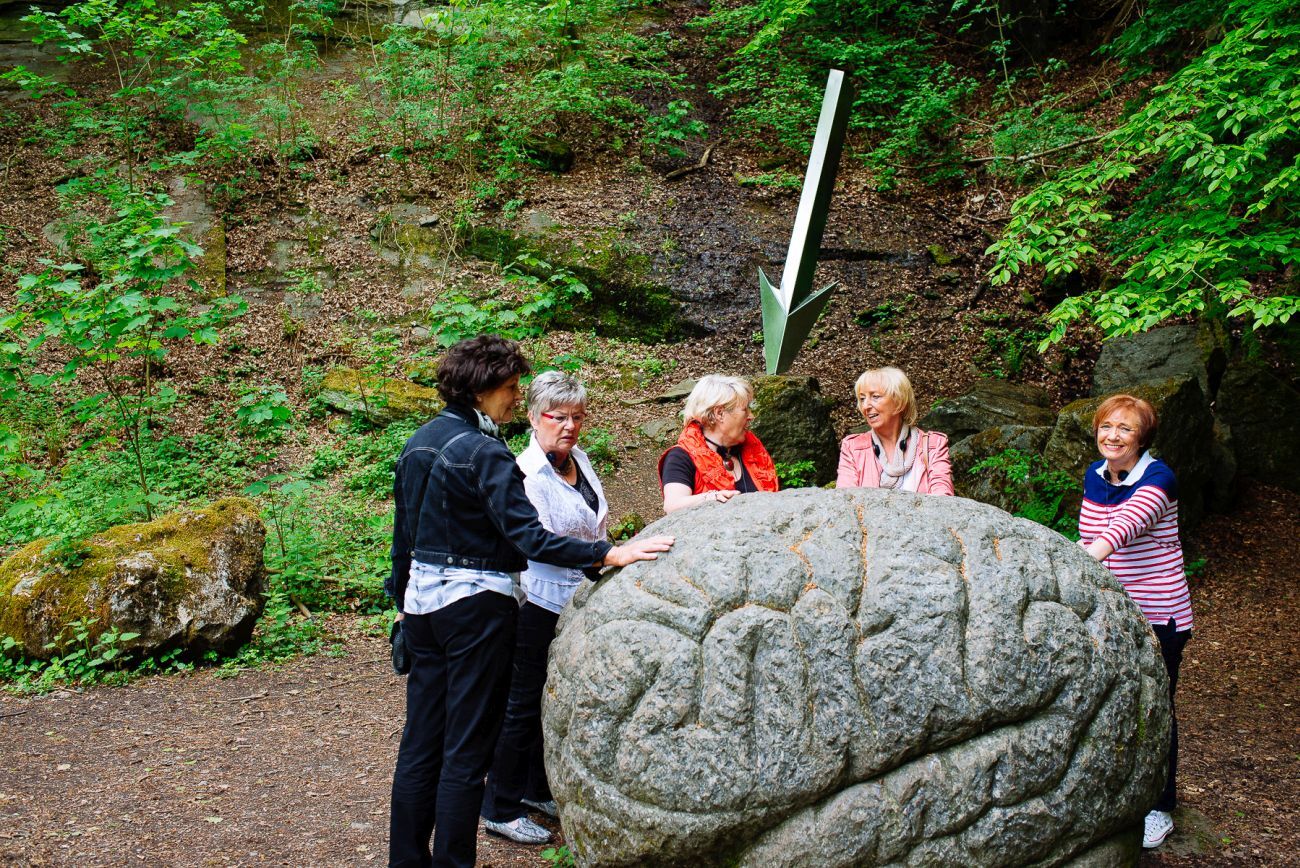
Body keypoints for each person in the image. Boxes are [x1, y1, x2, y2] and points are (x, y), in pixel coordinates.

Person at [387, 336, 673, 868]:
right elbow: (530, 536)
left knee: (421, 743)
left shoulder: (419, 442)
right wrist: (608, 553)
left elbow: (402, 538)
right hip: (476, 609)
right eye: (513, 388)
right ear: (482, 388)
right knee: (467, 749)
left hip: (422, 609)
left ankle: (405, 861)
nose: (518, 399)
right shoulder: (486, 452)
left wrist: (401, 603)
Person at [480, 371, 606, 845]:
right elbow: (539, 543)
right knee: (522, 703)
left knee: (551, 700)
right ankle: (500, 806)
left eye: (577, 416)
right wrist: (601, 554)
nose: (569, 426)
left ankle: (535, 788)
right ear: (534, 417)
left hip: (582, 598)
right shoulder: (526, 473)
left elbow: (593, 524)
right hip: (538, 600)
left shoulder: (582, 461)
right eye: (558, 417)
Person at [1077, 394, 1192, 851]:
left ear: (1142, 437)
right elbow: (1088, 533)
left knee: (1155, 710)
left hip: (1158, 614)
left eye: (1125, 429)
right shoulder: (1094, 474)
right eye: (1107, 426)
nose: (1113, 436)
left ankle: (1159, 807)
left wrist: (1071, 563)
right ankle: (1114, 793)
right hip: (1111, 608)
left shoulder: (1159, 478)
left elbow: (1121, 530)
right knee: (1110, 701)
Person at [658, 374, 778, 513]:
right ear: (719, 413)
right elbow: (672, 505)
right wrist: (711, 498)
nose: (750, 416)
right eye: (745, 410)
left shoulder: (752, 450)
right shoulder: (680, 457)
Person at [836, 366, 953, 494]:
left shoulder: (933, 445)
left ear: (899, 401)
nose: (865, 406)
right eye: (862, 398)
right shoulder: (852, 447)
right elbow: (845, 501)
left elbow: (943, 501)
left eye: (875, 396)